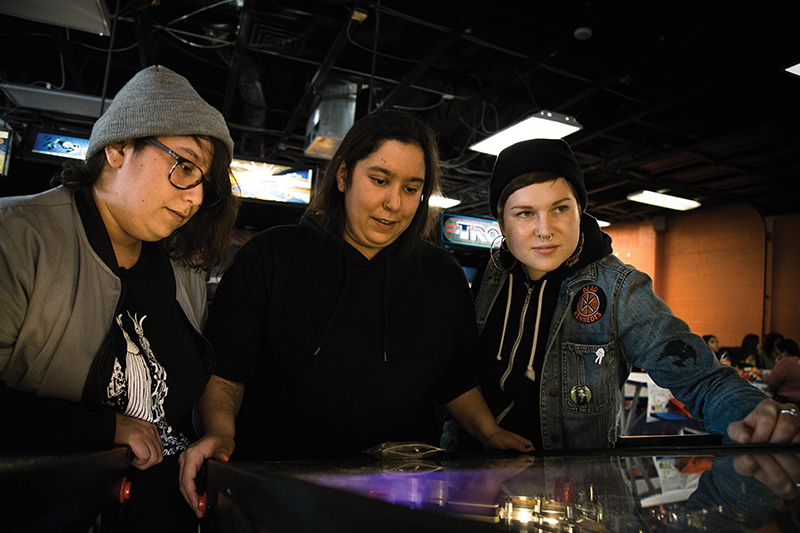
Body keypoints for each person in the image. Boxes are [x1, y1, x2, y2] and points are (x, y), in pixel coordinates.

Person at [179, 110, 532, 516]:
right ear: (343, 175)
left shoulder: (443, 276)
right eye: (379, 180)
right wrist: (220, 434)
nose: (394, 204)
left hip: (400, 500)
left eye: (411, 188)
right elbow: (225, 377)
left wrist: (489, 432)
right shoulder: (271, 256)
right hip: (275, 494)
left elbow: (456, 381)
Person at [443, 138, 800, 452]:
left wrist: (749, 411)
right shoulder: (493, 274)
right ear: (503, 224)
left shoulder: (620, 288)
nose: (544, 230)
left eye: (560, 209)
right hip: (472, 473)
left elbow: (701, 376)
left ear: (580, 211)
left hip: (571, 497)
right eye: (524, 214)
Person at [0, 65, 239, 531]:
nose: (193, 200)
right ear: (117, 147)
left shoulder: (182, 271)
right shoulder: (19, 237)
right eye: (183, 166)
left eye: (203, 184)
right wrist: (108, 428)